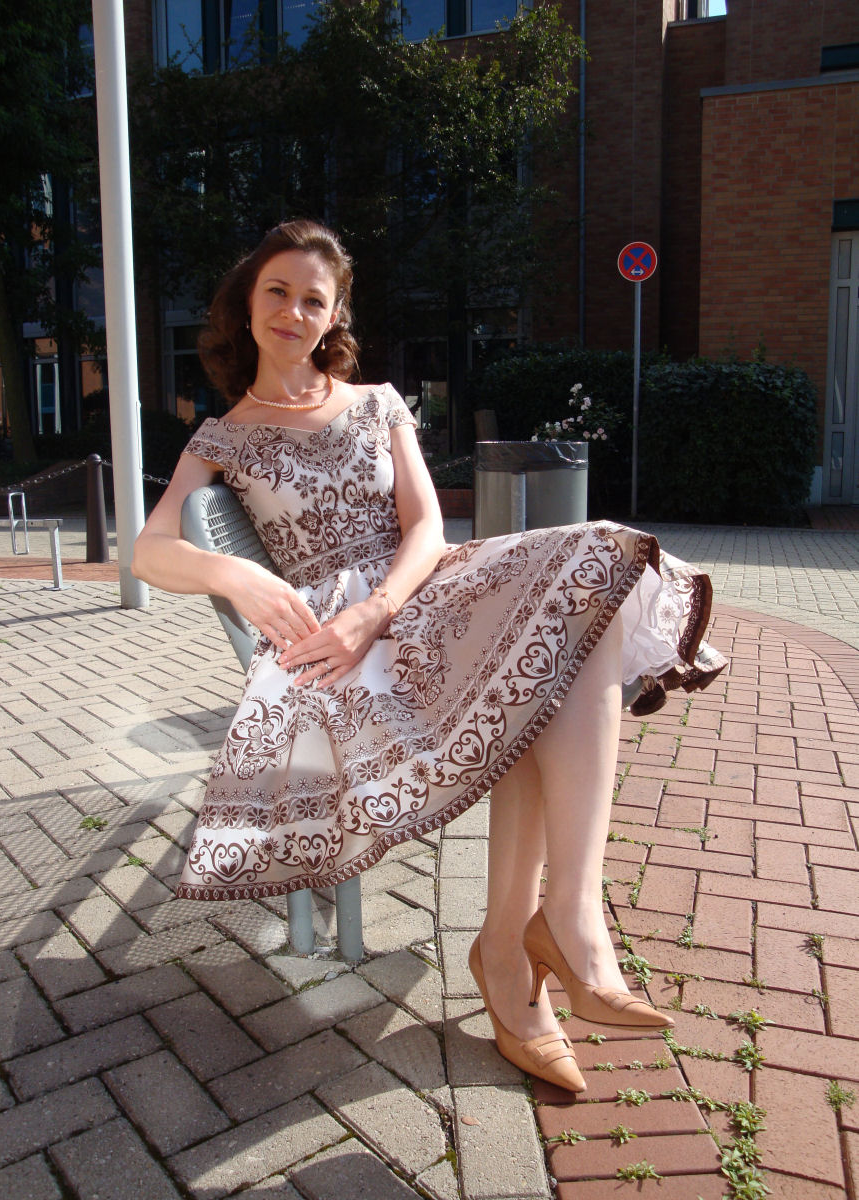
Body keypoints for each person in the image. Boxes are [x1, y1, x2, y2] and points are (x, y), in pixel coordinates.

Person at [132, 218, 726, 1095]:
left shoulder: (378, 402)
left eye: (313, 299)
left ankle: (561, 918)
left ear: (334, 315)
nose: (294, 312)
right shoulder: (221, 436)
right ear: (246, 303)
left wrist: (378, 609)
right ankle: (518, 953)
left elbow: (425, 527)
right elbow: (148, 551)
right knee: (554, 662)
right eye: (277, 292)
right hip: (335, 644)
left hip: (417, 592)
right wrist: (234, 573)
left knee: (589, 578)